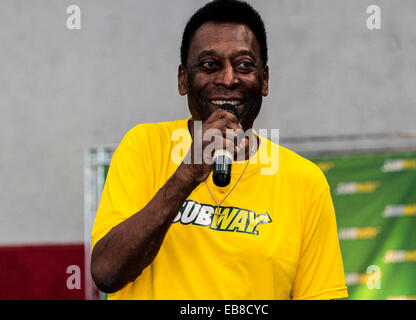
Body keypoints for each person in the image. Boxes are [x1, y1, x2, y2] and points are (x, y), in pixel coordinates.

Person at [90, 0, 347, 300]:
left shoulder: (305, 181)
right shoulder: (143, 146)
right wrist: (186, 173)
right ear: (183, 79)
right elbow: (106, 272)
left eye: (244, 65)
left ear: (264, 81)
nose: (228, 79)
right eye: (210, 65)